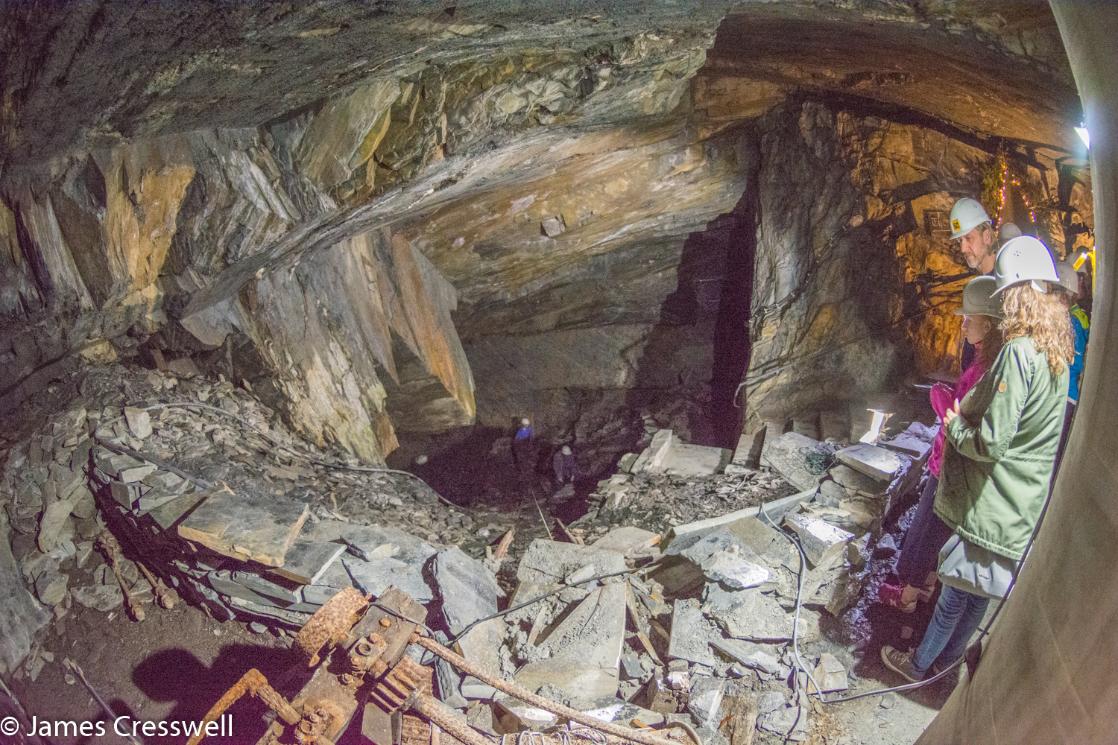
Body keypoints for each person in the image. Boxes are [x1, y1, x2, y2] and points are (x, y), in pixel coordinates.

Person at [882, 236, 1073, 682]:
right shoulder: (1058, 355)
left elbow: (990, 441)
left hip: (994, 497)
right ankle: (944, 666)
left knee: (955, 590)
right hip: (1024, 499)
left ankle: (919, 666)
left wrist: (954, 425)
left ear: (1016, 293)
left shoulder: (1019, 353)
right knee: (979, 594)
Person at [879, 276, 1004, 612]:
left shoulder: (987, 369)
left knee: (927, 531)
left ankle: (906, 596)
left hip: (951, 462)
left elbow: (967, 418)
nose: (962, 326)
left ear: (989, 325)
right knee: (931, 529)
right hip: (950, 460)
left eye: (969, 319)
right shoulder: (985, 361)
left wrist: (941, 401)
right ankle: (923, 585)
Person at [949, 198, 997, 369]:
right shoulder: (982, 282)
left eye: (968, 238)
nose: (963, 248)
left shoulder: (1001, 285)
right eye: (960, 241)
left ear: (986, 236)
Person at [1052, 261, 1090, 471]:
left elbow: (1069, 361)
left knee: (1051, 453)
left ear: (1065, 295)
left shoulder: (1073, 321)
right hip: (1064, 392)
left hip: (1064, 394)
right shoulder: (1075, 318)